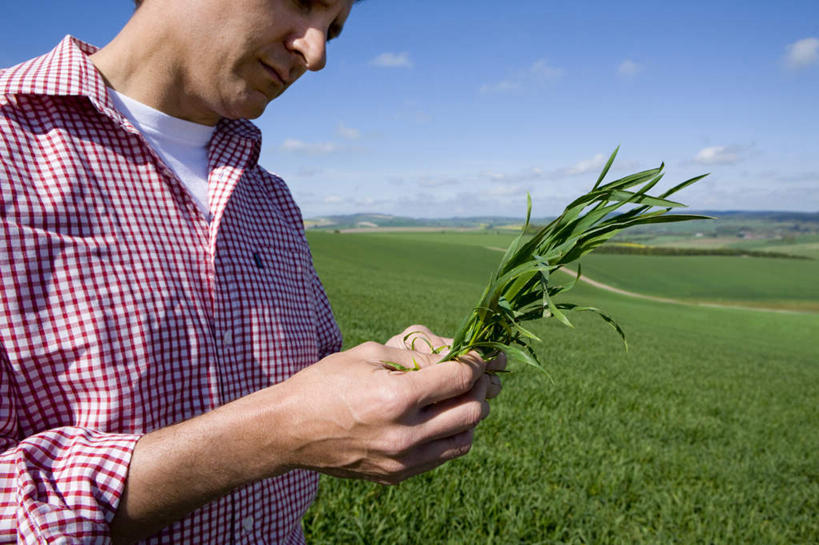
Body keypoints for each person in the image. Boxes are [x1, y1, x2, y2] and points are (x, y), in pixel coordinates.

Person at [0, 0, 505, 543]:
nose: (315, 54)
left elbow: (312, 377)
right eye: (302, 3)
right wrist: (276, 434)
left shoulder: (270, 197)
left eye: (333, 30)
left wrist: (401, 370)